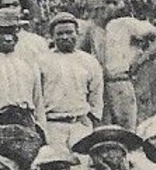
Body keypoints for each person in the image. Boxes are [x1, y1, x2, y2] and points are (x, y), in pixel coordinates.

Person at [82, 0, 156, 130]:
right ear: (96, 4)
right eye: (106, 2)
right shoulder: (90, 28)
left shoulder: (125, 24)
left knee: (126, 129)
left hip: (120, 83)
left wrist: (140, 60)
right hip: (96, 87)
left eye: (115, 3)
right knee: (100, 130)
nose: (111, 7)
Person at [38, 11, 105, 148]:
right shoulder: (42, 61)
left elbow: (96, 96)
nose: (65, 37)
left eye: (69, 32)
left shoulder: (89, 61)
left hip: (80, 125)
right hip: (52, 125)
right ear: (52, 36)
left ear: (77, 33)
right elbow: (36, 96)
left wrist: (90, 120)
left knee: (81, 165)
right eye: (60, 34)